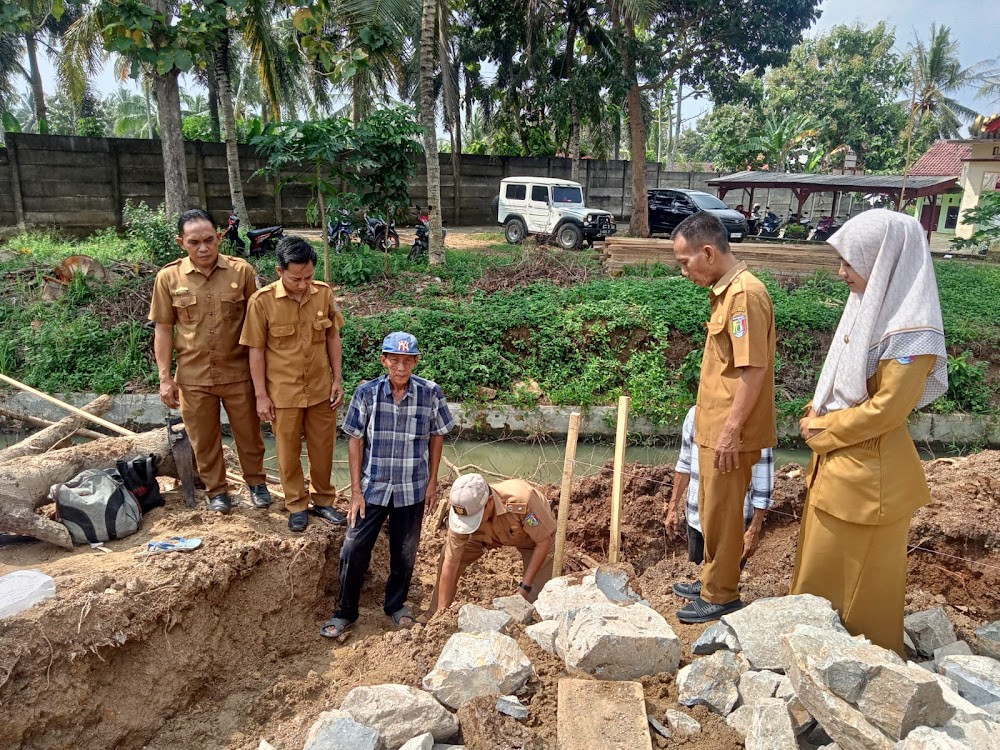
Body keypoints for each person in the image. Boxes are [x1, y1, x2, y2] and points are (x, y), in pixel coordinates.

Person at [791, 209, 948, 655]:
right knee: (818, 579)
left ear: (883, 261)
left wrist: (823, 426)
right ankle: (812, 667)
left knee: (861, 600)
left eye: (850, 262)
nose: (842, 273)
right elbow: (844, 384)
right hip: (839, 471)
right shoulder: (868, 308)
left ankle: (864, 683)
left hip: (869, 481)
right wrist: (819, 412)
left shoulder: (911, 332)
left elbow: (886, 411)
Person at [671, 212, 777, 624]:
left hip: (731, 431)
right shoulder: (726, 293)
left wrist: (732, 431)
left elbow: (753, 370)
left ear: (709, 252)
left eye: (685, 262)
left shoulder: (744, 296)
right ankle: (714, 577)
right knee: (714, 509)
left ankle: (722, 593)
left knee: (727, 511)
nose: (684, 271)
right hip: (715, 427)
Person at [320, 332, 454, 638]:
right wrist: (355, 491)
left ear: (416, 362)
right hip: (373, 488)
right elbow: (356, 439)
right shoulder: (366, 393)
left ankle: (396, 606)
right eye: (394, 359)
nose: (401, 367)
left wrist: (432, 482)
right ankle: (345, 613)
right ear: (384, 360)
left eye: (408, 361)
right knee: (353, 548)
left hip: (412, 487)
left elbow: (437, 436)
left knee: (405, 553)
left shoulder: (431, 393)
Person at [149, 208, 269, 514]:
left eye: (208, 240)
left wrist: (264, 378)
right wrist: (165, 378)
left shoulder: (241, 272)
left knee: (249, 435)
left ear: (219, 237)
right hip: (193, 376)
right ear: (181, 243)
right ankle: (217, 491)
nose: (203, 248)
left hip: (238, 372)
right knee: (203, 439)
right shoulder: (168, 278)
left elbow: (258, 325)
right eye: (194, 242)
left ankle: (256, 484)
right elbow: (163, 330)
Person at [239, 235, 347, 532]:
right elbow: (256, 351)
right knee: (287, 453)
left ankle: (324, 500)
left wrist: (337, 379)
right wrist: (261, 396)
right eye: (296, 278)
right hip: (283, 393)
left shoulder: (323, 294)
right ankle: (296, 504)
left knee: (323, 449)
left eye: (308, 277)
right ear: (279, 271)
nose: (303, 284)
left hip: (321, 390)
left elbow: (332, 337)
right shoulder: (261, 302)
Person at [665, 405, 774, 599]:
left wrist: (755, 527)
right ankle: (706, 585)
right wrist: (672, 507)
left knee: (726, 569)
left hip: (735, 517)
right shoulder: (695, 414)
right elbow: (685, 462)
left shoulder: (753, 422)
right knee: (705, 558)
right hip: (697, 512)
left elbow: (762, 477)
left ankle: (720, 600)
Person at [429, 473, 556, 616]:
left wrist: (524, 589)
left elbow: (543, 542)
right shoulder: (463, 511)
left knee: (536, 598)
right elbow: (451, 562)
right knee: (447, 553)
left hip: (532, 540)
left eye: (474, 518)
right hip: (484, 536)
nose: (468, 523)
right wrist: (441, 615)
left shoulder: (522, 500)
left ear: (489, 502)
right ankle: (434, 612)